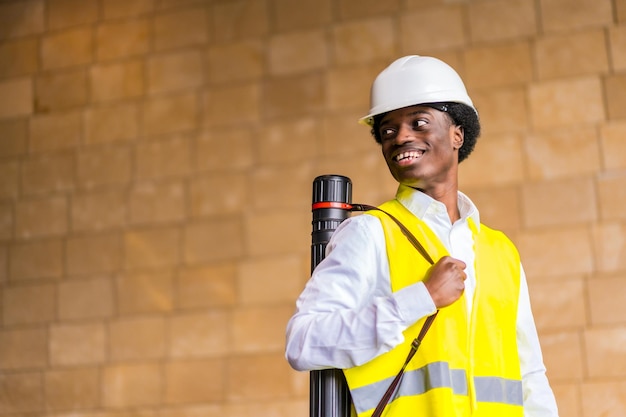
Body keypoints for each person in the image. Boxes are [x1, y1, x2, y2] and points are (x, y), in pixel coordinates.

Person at [285, 55, 559, 417]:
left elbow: (530, 376)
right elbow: (303, 341)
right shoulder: (370, 232)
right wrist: (421, 298)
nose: (401, 137)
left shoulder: (500, 251)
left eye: (419, 122)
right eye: (387, 130)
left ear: (457, 133)